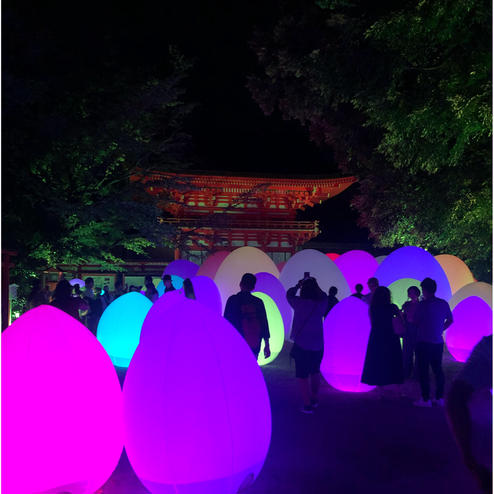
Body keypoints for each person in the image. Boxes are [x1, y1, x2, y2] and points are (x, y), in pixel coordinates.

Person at [446, 335, 492, 493]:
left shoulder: (488, 348)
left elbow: (455, 399)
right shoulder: (489, 349)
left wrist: (469, 459)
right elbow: (456, 399)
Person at [287, 277, 328, 414]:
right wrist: (315, 284)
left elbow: (289, 294)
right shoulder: (321, 304)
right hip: (318, 345)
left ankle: (307, 404)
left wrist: (299, 284)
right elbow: (324, 295)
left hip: (301, 344)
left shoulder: (298, 303)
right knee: (315, 372)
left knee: (302, 375)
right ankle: (314, 399)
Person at [413, 277, 453, 407]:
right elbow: (450, 320)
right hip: (437, 342)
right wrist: (441, 329)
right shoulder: (443, 303)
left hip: (424, 341)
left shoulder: (422, 305)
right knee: (437, 369)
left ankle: (425, 399)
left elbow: (415, 321)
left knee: (423, 371)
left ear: (424, 290)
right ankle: (439, 397)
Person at [361, 286, 404, 392]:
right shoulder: (392, 307)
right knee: (394, 361)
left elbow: (372, 322)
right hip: (391, 337)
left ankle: (381, 392)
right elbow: (400, 320)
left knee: (378, 362)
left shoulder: (373, 308)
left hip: (377, 337)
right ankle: (398, 390)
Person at [224, 273, 271, 361]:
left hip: (236, 344)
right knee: (251, 369)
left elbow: (226, 324)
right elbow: (264, 323)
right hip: (254, 342)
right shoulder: (258, 302)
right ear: (253, 287)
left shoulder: (232, 300)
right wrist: (267, 345)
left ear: (240, 284)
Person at [401, 286, 421, 379]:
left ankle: (416, 374)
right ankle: (407, 372)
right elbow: (403, 316)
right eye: (409, 292)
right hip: (408, 331)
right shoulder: (406, 304)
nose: (410, 294)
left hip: (417, 331)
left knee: (418, 353)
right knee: (407, 353)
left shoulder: (421, 305)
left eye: (411, 292)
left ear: (417, 293)